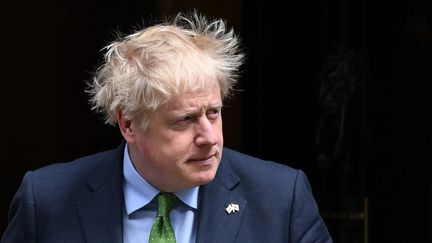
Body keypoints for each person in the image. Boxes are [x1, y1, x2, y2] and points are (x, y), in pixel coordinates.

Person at [1, 10, 333, 243]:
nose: (208, 137)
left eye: (214, 113)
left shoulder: (280, 199)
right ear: (128, 124)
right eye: (185, 120)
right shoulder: (46, 200)